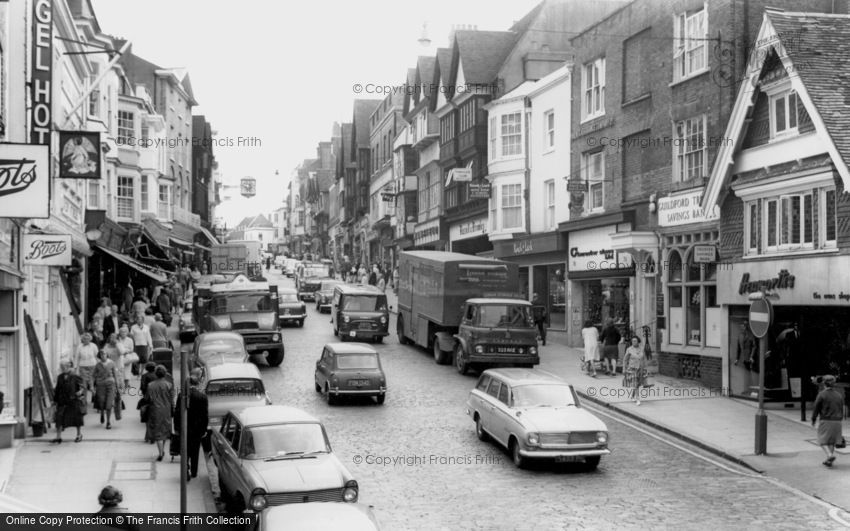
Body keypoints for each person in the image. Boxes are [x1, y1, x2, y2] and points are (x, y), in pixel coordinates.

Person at [174, 375, 209, 480]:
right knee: (195, 450)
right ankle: (194, 471)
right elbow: (205, 415)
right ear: (197, 383)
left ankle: (185, 468)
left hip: (184, 427)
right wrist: (204, 429)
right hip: (197, 429)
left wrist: (176, 427)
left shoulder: (182, 396)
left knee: (185, 449)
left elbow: (177, 412)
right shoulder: (202, 397)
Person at [812, 374, 844, 467]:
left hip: (826, 420)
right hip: (838, 421)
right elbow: (841, 408)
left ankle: (830, 455)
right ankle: (829, 461)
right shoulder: (839, 395)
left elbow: (816, 408)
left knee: (822, 440)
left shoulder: (822, 394)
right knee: (831, 441)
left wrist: (813, 419)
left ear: (824, 383)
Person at [145, 365, 174, 461]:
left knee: (157, 432)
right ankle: (162, 450)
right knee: (165, 430)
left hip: (155, 410)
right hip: (166, 410)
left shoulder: (150, 385)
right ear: (165, 374)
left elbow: (147, 398)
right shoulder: (169, 385)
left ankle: (161, 453)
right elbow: (172, 399)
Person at [52, 360, 84, 443]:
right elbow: (57, 389)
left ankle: (79, 435)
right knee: (59, 418)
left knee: (77, 419)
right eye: (61, 367)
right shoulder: (60, 377)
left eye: (64, 367)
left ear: (68, 367)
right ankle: (58, 437)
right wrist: (55, 400)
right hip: (62, 401)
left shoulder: (75, 376)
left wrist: (80, 392)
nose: (63, 369)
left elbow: (82, 387)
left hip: (73, 400)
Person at [93, 350, 120, 429]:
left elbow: (115, 375)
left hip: (110, 385)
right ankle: (102, 412)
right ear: (99, 356)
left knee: (109, 404)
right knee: (101, 402)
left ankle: (108, 422)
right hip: (100, 385)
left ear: (107, 355)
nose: (103, 355)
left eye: (104, 354)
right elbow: (93, 375)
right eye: (101, 354)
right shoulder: (98, 365)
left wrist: (118, 387)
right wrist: (91, 386)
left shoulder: (111, 363)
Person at [74, 332, 99, 403]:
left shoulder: (93, 346)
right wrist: (75, 367)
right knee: (84, 384)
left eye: (88, 339)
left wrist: (99, 366)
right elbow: (77, 357)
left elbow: (97, 356)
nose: (86, 340)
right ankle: (84, 400)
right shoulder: (80, 346)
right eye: (84, 339)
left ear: (90, 339)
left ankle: (95, 399)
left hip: (92, 366)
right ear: (82, 339)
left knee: (91, 385)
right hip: (83, 367)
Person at [622, 336, 647, 405]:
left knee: (637, 384)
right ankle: (638, 399)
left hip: (640, 369)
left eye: (635, 341)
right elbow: (625, 360)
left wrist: (645, 368)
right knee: (635, 384)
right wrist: (624, 369)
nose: (633, 342)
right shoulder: (629, 349)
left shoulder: (642, 349)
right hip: (632, 369)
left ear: (638, 341)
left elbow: (644, 359)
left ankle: (632, 396)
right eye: (632, 341)